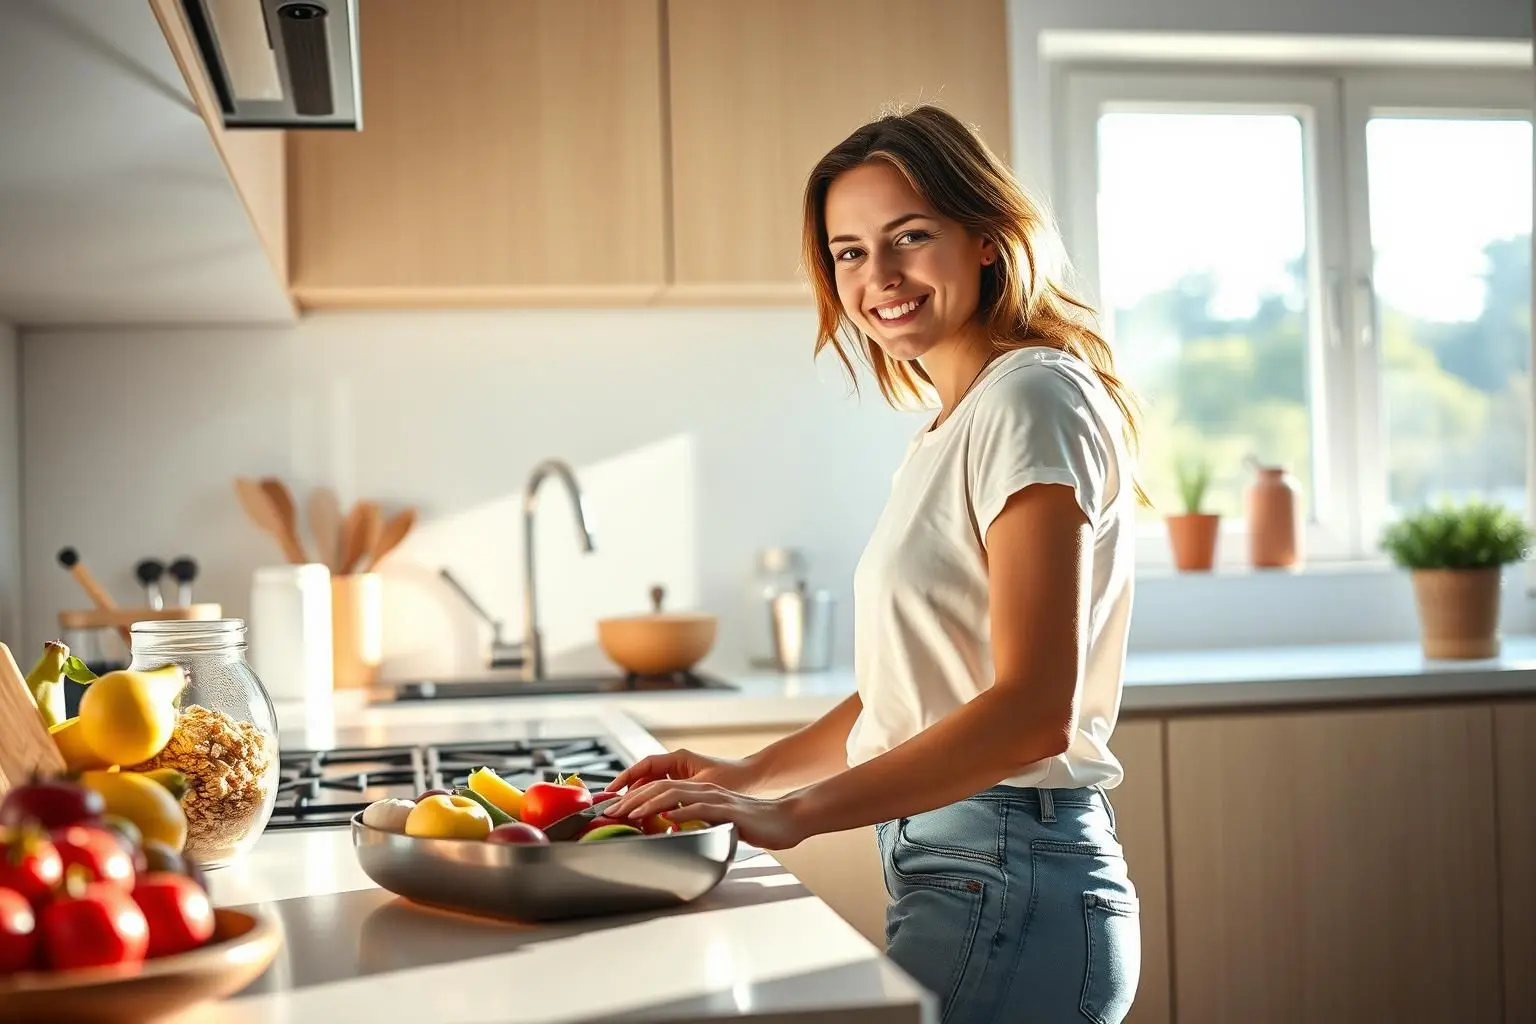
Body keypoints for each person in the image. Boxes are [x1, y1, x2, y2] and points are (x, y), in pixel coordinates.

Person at [604, 104, 1145, 1024]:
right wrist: (751, 775)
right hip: (971, 867)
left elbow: (1029, 713)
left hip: (1010, 872)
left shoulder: (1033, 398)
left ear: (984, 238)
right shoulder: (954, 423)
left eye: (909, 237)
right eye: (849, 252)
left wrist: (799, 813)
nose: (879, 278)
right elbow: (921, 683)